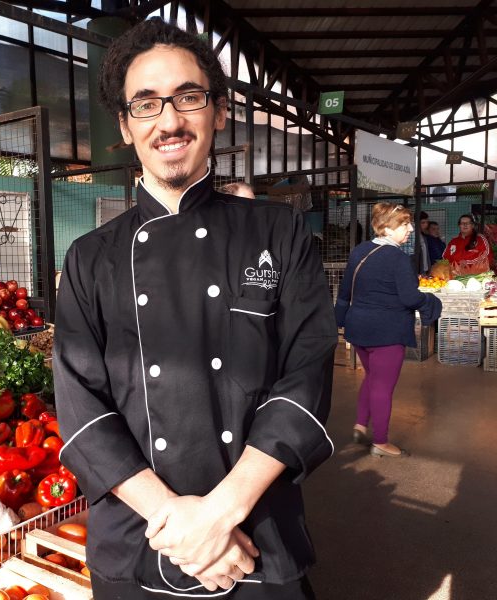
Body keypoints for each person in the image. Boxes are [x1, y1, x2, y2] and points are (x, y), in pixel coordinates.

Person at [53, 18, 338, 600]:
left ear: (219, 111)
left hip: (256, 533)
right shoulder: (89, 259)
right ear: (127, 128)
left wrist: (218, 515)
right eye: (146, 104)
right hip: (141, 538)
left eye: (188, 97)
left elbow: (306, 374)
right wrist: (179, 526)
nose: (169, 121)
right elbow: (82, 409)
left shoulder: (279, 232)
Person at [334, 203, 442, 458]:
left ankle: (361, 425)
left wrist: (339, 321)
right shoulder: (398, 259)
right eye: (404, 224)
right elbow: (409, 298)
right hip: (387, 332)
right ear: (386, 227)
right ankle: (380, 441)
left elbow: (344, 292)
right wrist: (431, 302)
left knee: (372, 378)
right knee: (383, 386)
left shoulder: (360, 250)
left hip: (358, 328)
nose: (410, 229)